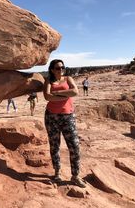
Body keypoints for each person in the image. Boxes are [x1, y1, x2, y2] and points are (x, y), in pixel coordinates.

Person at [43, 59, 86, 188]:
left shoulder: (68, 78)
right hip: (52, 116)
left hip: (68, 116)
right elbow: (47, 97)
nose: (60, 70)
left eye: (62, 67)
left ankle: (75, 176)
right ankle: (57, 173)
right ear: (52, 69)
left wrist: (57, 93)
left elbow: (75, 92)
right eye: (57, 68)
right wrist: (65, 94)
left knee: (74, 146)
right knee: (54, 146)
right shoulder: (48, 81)